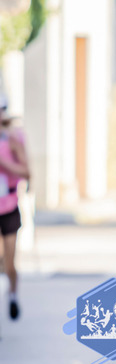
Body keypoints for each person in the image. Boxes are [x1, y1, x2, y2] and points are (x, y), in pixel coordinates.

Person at [0, 95, 30, 320]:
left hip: (8, 206)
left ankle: (12, 295)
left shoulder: (13, 137)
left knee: (9, 263)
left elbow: (26, 172)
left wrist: (6, 164)